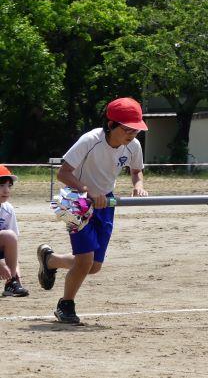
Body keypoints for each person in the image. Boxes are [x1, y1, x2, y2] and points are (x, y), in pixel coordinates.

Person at [36, 97, 149, 324]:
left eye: (136, 130)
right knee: (85, 260)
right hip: (75, 199)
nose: (131, 135)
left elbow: (136, 171)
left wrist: (139, 186)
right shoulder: (90, 140)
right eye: (127, 129)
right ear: (111, 125)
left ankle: (50, 260)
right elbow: (63, 173)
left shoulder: (133, 146)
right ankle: (65, 305)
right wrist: (87, 192)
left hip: (105, 202)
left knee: (94, 266)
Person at [0, 165, 29, 297]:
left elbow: (12, 247)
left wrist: (16, 279)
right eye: (1, 185)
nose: (6, 190)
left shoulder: (7, 209)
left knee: (10, 238)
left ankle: (12, 284)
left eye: (9, 186)